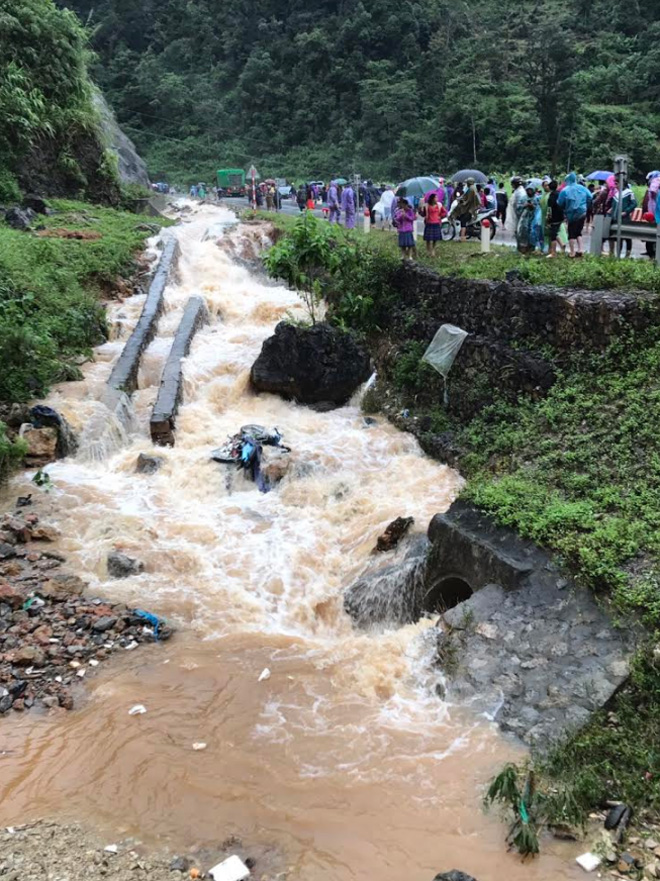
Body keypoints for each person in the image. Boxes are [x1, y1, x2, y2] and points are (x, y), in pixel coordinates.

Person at [557, 172, 592, 257]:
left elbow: (560, 203)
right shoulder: (583, 188)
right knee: (578, 232)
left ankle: (572, 252)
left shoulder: (565, 190)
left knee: (571, 233)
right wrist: (585, 205)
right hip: (582, 212)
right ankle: (580, 250)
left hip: (571, 214)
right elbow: (590, 197)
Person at [607, 177, 637, 258]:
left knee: (627, 237)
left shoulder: (629, 192)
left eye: (617, 183)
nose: (615, 185)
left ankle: (628, 254)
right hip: (615, 218)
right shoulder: (616, 194)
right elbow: (614, 205)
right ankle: (618, 254)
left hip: (625, 218)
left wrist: (626, 211)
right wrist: (611, 209)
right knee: (618, 237)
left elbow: (634, 204)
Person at [450, 177, 480, 242]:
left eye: (467, 182)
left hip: (470, 209)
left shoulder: (471, 190)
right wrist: (461, 198)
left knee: (463, 221)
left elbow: (468, 200)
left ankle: (462, 238)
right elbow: (465, 196)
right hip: (472, 208)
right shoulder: (472, 188)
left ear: (469, 183)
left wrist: (462, 202)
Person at [515, 185, 541, 253]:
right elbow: (518, 207)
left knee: (533, 232)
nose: (529, 191)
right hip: (524, 218)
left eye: (531, 190)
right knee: (523, 231)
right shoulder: (523, 198)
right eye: (528, 190)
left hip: (534, 218)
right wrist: (524, 205)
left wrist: (533, 206)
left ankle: (532, 247)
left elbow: (538, 208)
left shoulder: (536, 198)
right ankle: (523, 247)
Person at [544, 180, 565, 258]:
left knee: (553, 235)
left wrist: (548, 219)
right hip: (560, 217)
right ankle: (562, 245)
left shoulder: (551, 197)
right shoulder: (560, 194)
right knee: (555, 232)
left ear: (549, 187)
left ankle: (553, 252)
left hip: (554, 218)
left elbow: (549, 209)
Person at [393, 193, 416, 260]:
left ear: (406, 204)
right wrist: (401, 215)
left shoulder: (410, 211)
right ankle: (403, 255)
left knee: (409, 244)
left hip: (408, 229)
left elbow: (412, 219)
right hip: (401, 229)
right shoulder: (398, 211)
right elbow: (397, 219)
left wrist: (406, 215)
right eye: (400, 204)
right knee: (402, 244)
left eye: (403, 204)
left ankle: (410, 255)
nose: (401, 206)